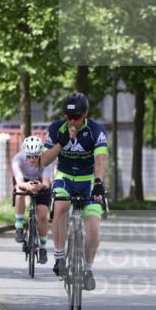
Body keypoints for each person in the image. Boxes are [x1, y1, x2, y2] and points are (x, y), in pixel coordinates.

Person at [40, 92, 108, 291]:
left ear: (86, 113)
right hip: (65, 177)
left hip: (88, 179)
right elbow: (43, 161)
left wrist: (98, 182)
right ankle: (60, 257)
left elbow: (100, 160)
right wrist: (61, 143)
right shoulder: (56, 128)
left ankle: (87, 269)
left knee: (94, 227)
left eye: (76, 117)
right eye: (68, 117)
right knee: (60, 207)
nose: (72, 121)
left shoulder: (96, 130)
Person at [11, 136, 54, 265]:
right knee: (20, 193)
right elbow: (19, 182)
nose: (32, 160)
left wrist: (39, 186)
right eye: (29, 156)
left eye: (36, 156)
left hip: (41, 182)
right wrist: (27, 185)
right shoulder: (17, 159)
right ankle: (19, 226)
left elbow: (46, 182)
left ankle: (43, 248)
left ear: (40, 154)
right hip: (23, 180)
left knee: (42, 214)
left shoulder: (46, 160)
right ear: (25, 154)